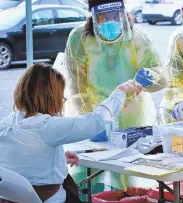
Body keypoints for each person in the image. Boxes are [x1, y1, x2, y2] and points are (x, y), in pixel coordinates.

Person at [64, 0, 166, 191]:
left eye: (115, 15)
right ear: (93, 17)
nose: (110, 20)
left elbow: (161, 77)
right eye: (102, 16)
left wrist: (150, 76)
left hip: (133, 119)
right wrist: (91, 120)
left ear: (124, 14)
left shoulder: (139, 39)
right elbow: (76, 83)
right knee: (90, 176)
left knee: (130, 178)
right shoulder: (80, 39)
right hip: (97, 115)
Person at [0, 63, 142, 203]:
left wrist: (58, 158)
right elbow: (96, 121)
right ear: (51, 97)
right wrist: (121, 91)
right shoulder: (46, 126)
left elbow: (22, 156)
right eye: (61, 97)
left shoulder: (8, 122)